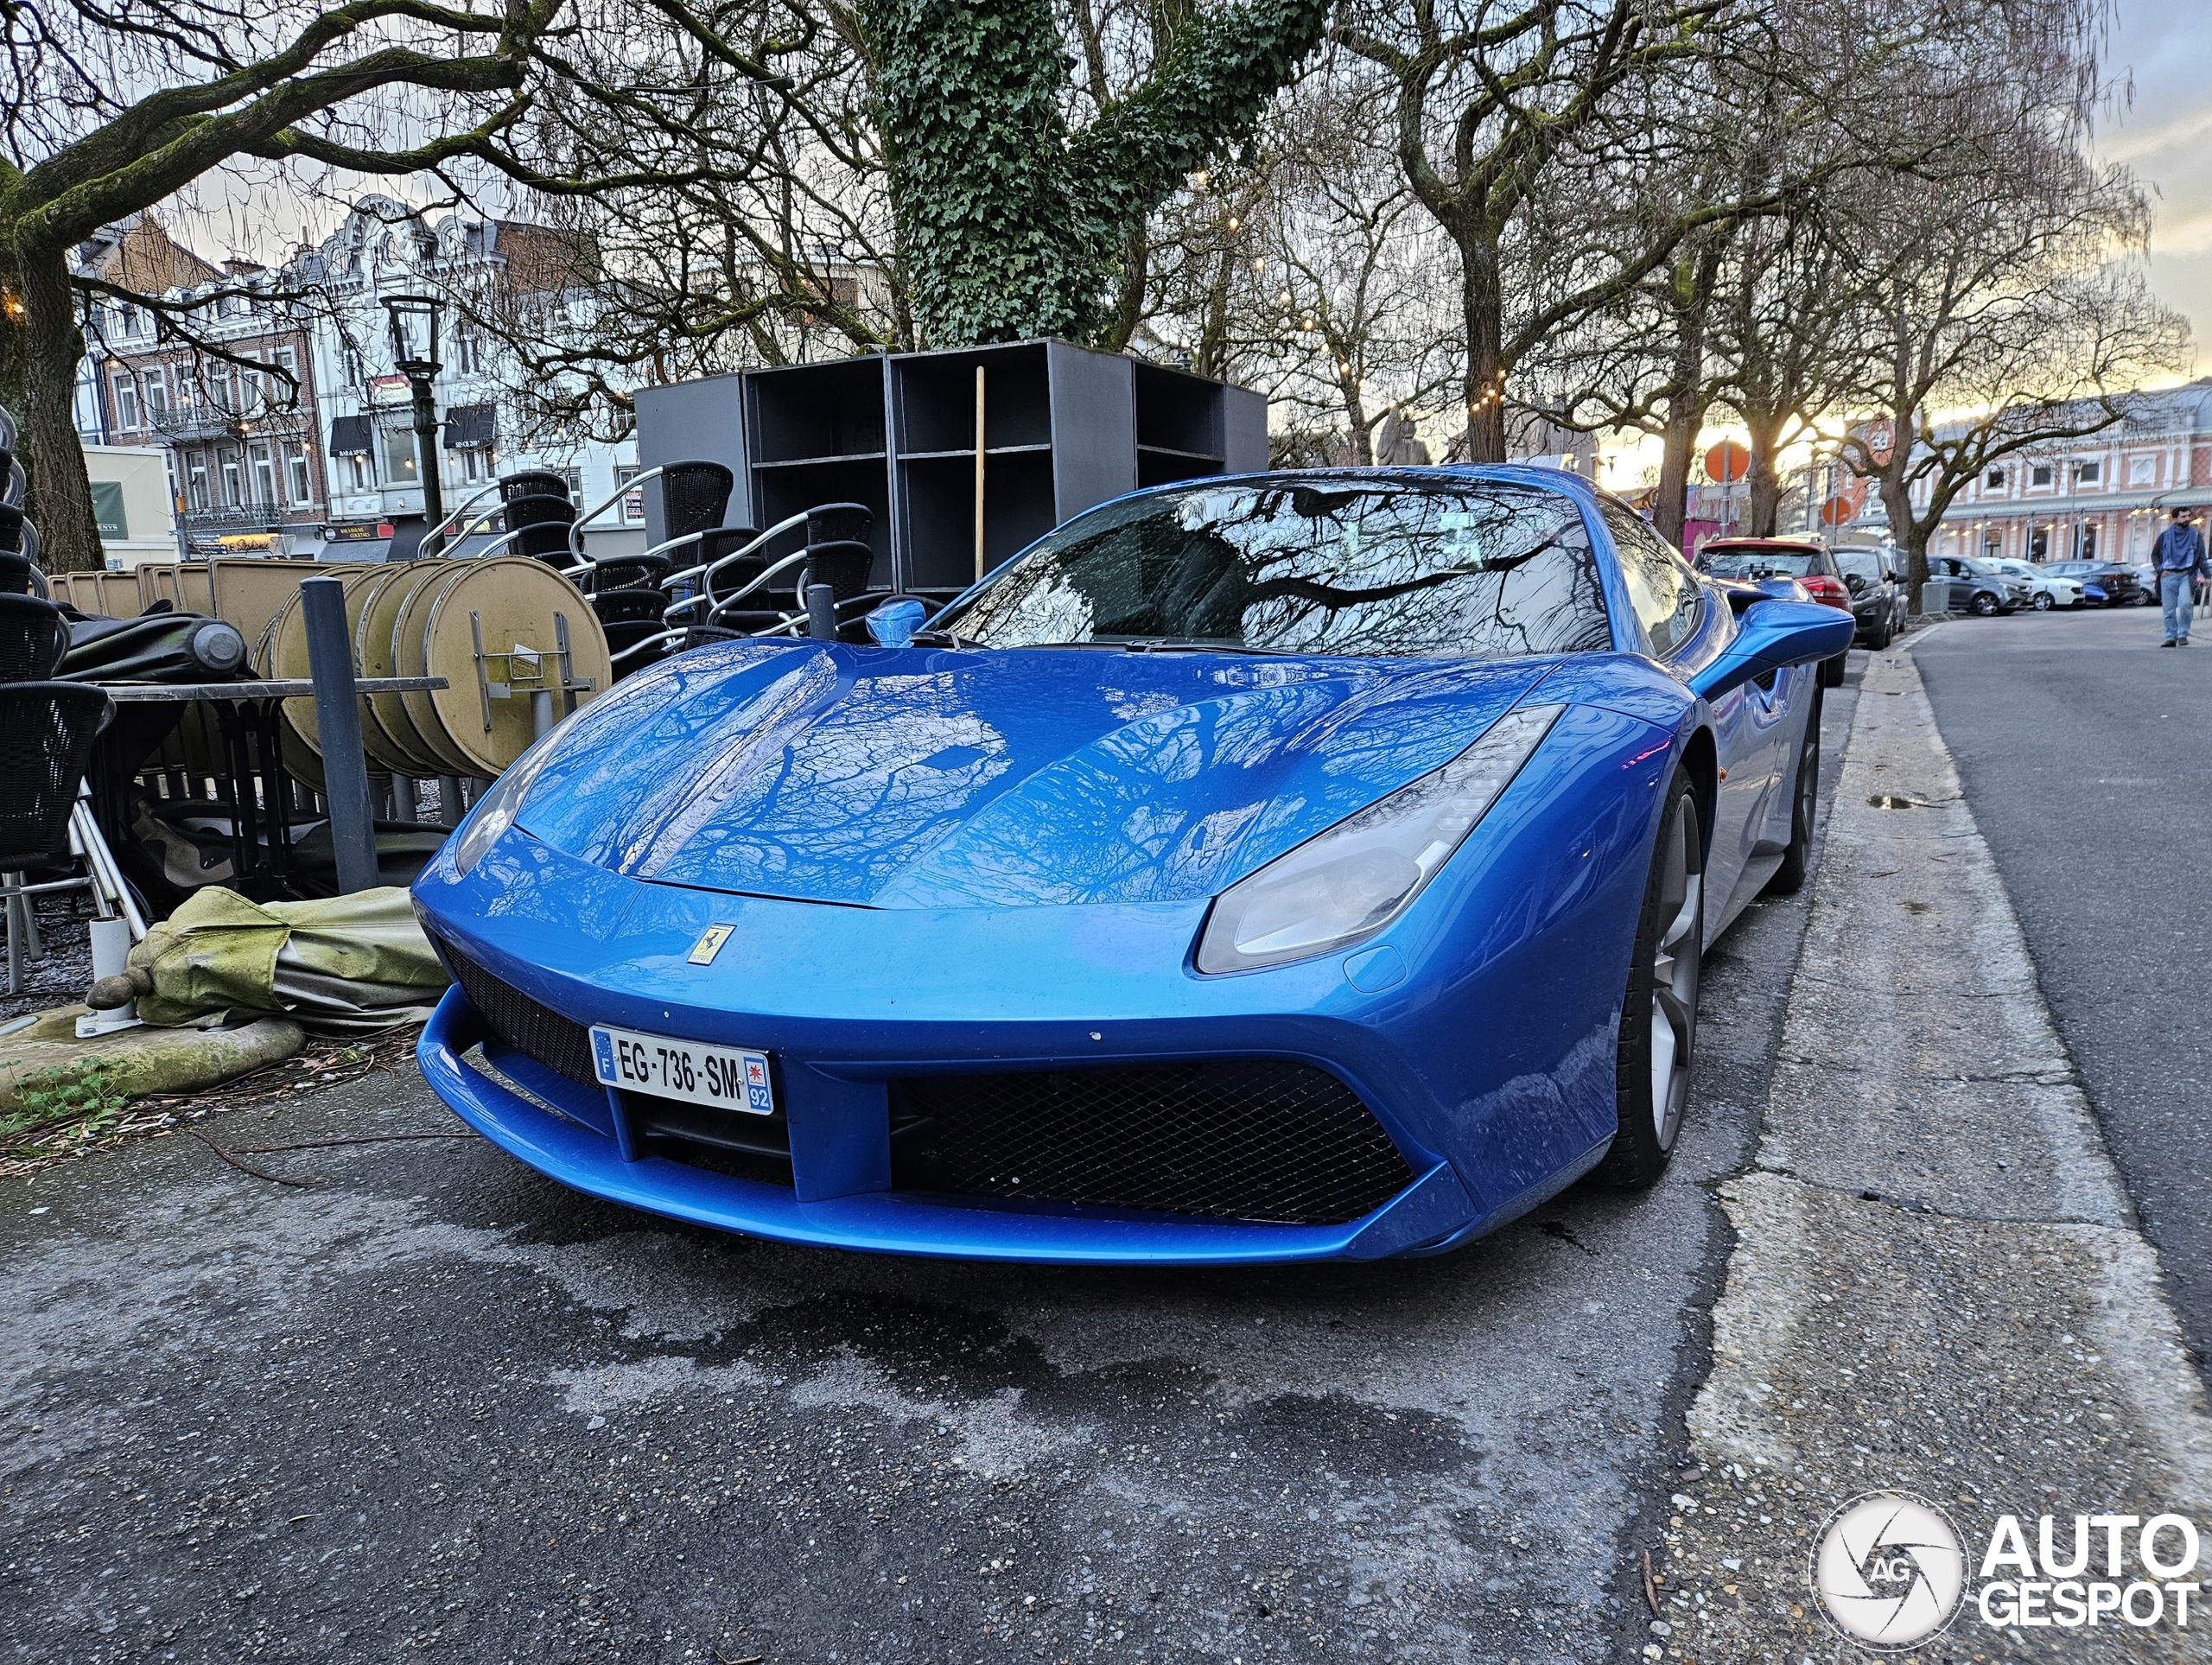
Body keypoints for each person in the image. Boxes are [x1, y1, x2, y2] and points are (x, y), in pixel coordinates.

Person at [2149, 508, 2211, 645]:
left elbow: (2202, 558)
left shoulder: (2196, 535)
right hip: (2168, 575)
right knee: (2169, 609)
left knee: (2185, 604)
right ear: (2175, 519)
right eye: (2183, 516)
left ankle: (2182, 634)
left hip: (2187, 575)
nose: (2187, 519)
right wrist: (2160, 570)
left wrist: (2207, 575)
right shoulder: (2165, 536)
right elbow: (2155, 555)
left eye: (2189, 516)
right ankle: (2170, 637)